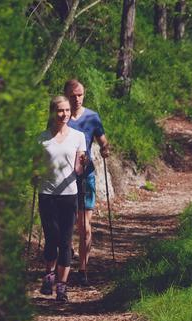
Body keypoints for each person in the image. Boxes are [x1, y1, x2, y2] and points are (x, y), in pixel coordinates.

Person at [35, 95, 86, 302]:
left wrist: (83, 163)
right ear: (52, 112)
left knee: (65, 242)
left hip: (68, 195)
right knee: (51, 239)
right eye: (60, 110)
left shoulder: (78, 136)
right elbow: (35, 165)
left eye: (66, 111)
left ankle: (62, 286)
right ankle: (49, 276)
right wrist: (35, 174)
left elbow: (79, 167)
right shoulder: (41, 138)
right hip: (47, 194)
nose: (64, 114)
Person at [64, 79, 110, 286]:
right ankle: (68, 253)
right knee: (68, 223)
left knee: (84, 225)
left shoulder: (92, 117)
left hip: (86, 175)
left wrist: (105, 149)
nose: (77, 99)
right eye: (73, 95)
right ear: (66, 96)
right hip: (64, 178)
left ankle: (82, 269)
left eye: (80, 95)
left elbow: (102, 140)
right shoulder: (60, 117)